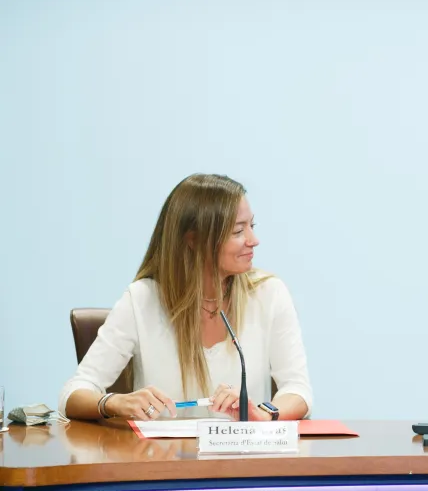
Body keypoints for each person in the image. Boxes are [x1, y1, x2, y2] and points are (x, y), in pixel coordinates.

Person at [60, 174, 313, 422]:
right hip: (160, 451)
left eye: (252, 226)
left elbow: (298, 389)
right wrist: (115, 402)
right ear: (194, 240)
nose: (253, 240)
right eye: (238, 231)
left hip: (245, 450)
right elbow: (73, 394)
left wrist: (264, 414)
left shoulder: (269, 294)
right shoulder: (141, 299)